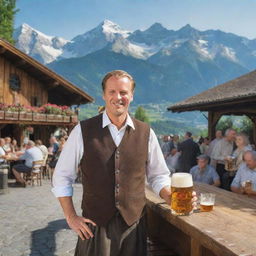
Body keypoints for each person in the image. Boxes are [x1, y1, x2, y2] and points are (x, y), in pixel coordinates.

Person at [52, 70, 197, 256]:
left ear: (131, 96)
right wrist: (71, 217)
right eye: (112, 92)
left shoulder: (146, 133)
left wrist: (170, 196)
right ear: (104, 95)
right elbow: (62, 177)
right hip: (95, 226)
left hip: (133, 226)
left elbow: (158, 176)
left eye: (123, 92)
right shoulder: (83, 131)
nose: (117, 97)